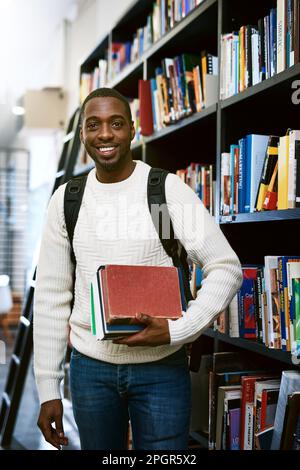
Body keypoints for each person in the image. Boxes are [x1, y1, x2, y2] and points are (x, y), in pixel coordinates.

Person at [33, 87, 243, 451]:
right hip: (90, 370)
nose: (105, 134)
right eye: (93, 125)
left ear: (132, 129)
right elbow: (51, 298)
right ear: (82, 134)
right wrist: (48, 388)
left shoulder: (162, 193)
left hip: (161, 368)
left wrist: (182, 329)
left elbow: (225, 267)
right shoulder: (68, 200)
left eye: (116, 123)